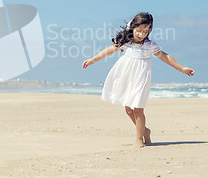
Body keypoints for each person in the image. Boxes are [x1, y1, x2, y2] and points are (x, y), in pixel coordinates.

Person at [82, 12, 194, 148]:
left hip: (141, 78)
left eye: (145, 31)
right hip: (126, 77)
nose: (141, 34)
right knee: (128, 110)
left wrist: (182, 68)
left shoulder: (149, 45)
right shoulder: (126, 42)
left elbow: (166, 57)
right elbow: (109, 50)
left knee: (138, 109)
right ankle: (145, 131)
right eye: (138, 31)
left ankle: (139, 139)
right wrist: (93, 60)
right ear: (133, 28)